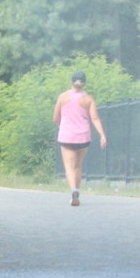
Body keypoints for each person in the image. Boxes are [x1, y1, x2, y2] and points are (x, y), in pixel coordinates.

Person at [53, 71, 108, 206]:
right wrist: (102, 135)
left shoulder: (62, 97)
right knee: (77, 165)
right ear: (84, 83)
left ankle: (74, 191)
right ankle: (77, 191)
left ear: (71, 82)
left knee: (69, 166)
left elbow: (55, 118)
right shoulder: (88, 99)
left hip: (67, 135)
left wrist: (63, 126)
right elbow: (94, 118)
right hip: (83, 136)